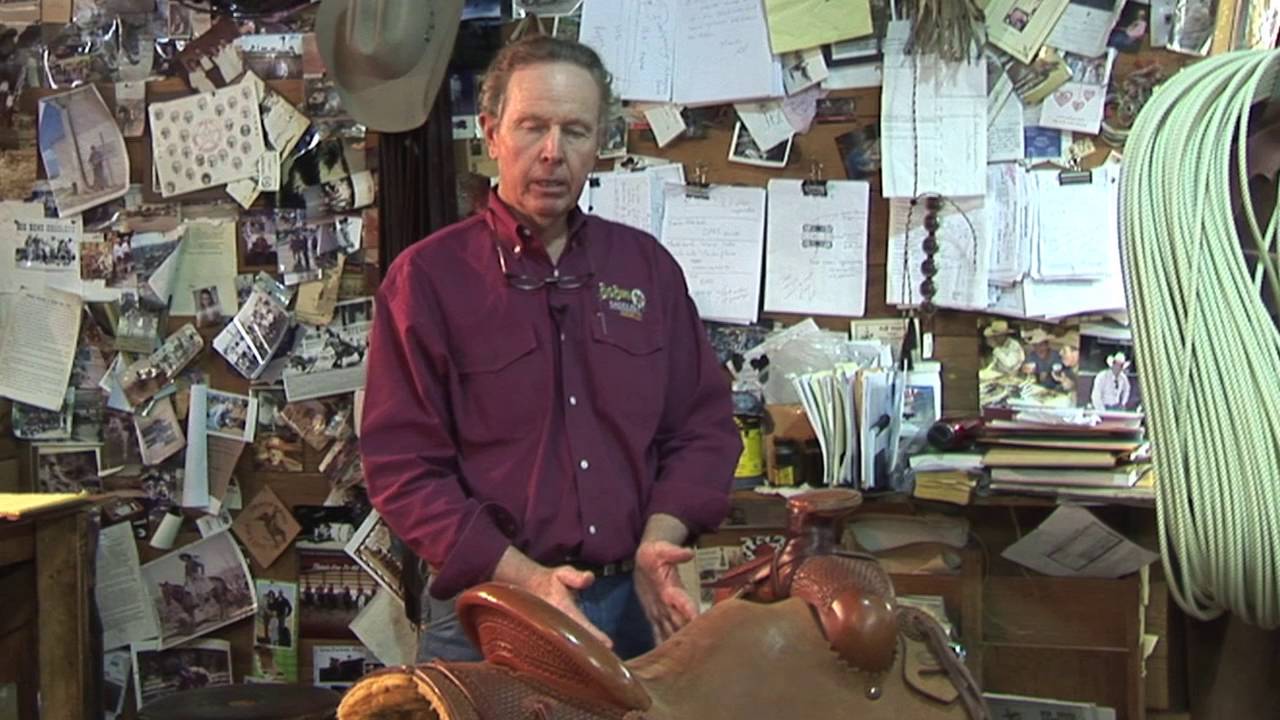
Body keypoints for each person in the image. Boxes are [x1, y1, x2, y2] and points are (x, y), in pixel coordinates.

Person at [361, 36, 740, 664]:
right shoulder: (427, 280)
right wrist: (527, 578)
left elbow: (703, 428)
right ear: (491, 133)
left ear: (600, 144)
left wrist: (660, 538)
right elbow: (402, 469)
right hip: (490, 610)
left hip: (632, 604)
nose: (551, 153)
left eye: (575, 131)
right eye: (532, 126)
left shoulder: (645, 269)